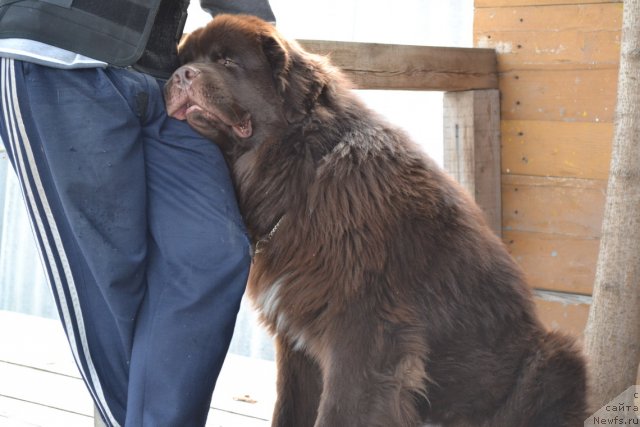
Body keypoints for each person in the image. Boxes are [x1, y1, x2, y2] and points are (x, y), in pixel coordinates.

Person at [0, 1, 274, 425]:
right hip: (58, 52)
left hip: (161, 73)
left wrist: (267, 37)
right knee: (109, 279)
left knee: (213, 253)